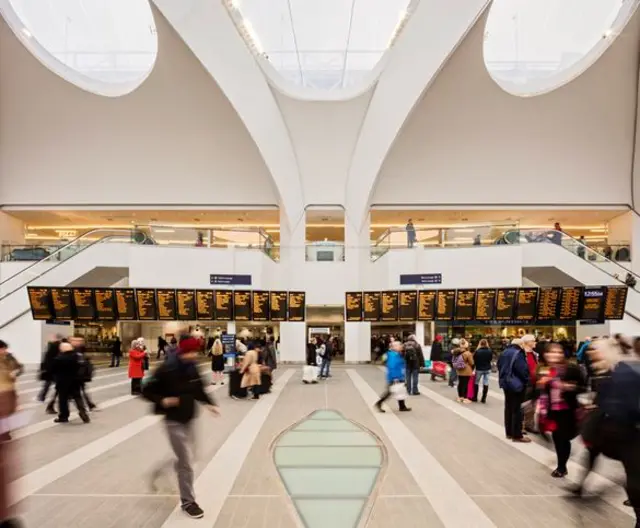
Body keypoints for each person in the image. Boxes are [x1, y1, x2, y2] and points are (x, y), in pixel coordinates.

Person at [143, 337, 220, 519]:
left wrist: (210, 404)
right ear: (182, 352)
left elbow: (198, 389)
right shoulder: (166, 368)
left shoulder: (192, 366)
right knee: (185, 461)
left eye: (195, 352)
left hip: (189, 418)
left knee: (190, 457)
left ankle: (160, 471)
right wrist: (162, 400)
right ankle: (188, 502)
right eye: (190, 352)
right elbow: (146, 389)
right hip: (173, 420)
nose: (194, 355)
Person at [536, 342, 584, 478]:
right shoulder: (543, 369)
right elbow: (539, 390)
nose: (554, 355)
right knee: (557, 438)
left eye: (558, 352)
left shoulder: (571, 369)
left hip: (567, 410)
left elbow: (584, 387)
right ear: (545, 354)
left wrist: (570, 388)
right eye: (551, 352)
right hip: (551, 410)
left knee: (564, 438)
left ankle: (562, 466)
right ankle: (561, 464)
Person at [497, 338, 530, 442]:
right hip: (517, 384)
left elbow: (499, 365)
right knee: (517, 409)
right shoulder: (518, 353)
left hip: (506, 383)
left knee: (508, 407)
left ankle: (509, 433)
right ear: (520, 344)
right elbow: (522, 370)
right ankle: (517, 435)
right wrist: (526, 380)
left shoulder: (504, 352)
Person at [52, 342, 90, 424]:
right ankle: (83, 412)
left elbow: (53, 369)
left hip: (63, 382)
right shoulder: (77, 356)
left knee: (63, 400)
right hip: (76, 381)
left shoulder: (59, 358)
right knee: (77, 398)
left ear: (62, 349)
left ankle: (64, 416)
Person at [375, 341, 411, 413]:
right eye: (399, 345)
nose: (401, 346)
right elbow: (392, 367)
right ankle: (379, 403)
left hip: (399, 376)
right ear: (394, 347)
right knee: (390, 392)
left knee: (400, 391)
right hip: (395, 377)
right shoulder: (393, 356)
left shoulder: (396, 354)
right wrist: (395, 378)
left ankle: (402, 406)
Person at [71, 336, 96, 411]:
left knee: (81, 391)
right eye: (77, 341)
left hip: (78, 376)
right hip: (74, 376)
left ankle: (88, 405)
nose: (80, 342)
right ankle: (87, 406)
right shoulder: (73, 350)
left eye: (81, 341)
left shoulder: (79, 350)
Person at [39, 335, 62, 403]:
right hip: (54, 369)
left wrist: (43, 368)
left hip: (50, 369)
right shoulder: (56, 346)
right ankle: (42, 396)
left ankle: (42, 396)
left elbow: (46, 358)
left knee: (48, 384)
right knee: (59, 384)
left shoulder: (50, 346)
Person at [452, 338, 474, 403]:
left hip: (459, 370)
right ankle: (465, 398)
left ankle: (460, 397)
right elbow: (472, 362)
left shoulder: (456, 352)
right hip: (466, 371)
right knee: (466, 384)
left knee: (460, 383)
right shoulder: (468, 353)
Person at [473, 339, 493, 403]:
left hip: (479, 368)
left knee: (476, 382)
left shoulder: (477, 351)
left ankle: (475, 397)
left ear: (480, 343)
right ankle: (483, 399)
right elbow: (490, 359)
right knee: (486, 382)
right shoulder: (489, 351)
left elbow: (474, 360)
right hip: (487, 368)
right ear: (487, 343)